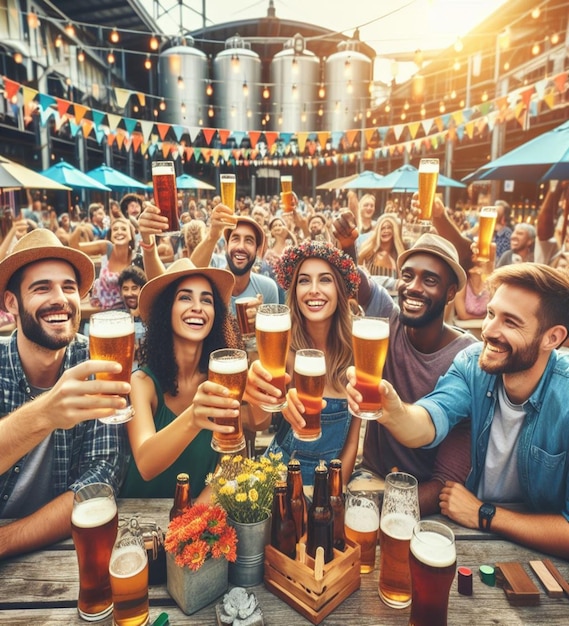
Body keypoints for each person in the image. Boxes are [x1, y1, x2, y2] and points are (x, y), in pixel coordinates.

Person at [347, 263, 569, 559]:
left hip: (535, 551)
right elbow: (429, 420)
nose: (489, 331)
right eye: (491, 314)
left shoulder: (564, 396)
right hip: (467, 538)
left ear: (552, 338)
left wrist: (486, 514)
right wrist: (394, 412)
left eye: (510, 322)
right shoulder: (473, 363)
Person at [0, 229, 129, 558]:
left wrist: (5, 541)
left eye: (68, 287)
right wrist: (45, 415)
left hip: (64, 554)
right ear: (11, 302)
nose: (60, 298)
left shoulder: (97, 362)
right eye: (42, 287)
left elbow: (101, 478)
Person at [119, 258, 246, 500]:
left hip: (193, 525)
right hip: (136, 522)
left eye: (206, 300)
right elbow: (146, 465)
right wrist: (194, 417)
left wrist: (191, 522)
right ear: (167, 311)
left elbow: (232, 466)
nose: (197, 307)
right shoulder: (142, 383)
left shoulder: (225, 380)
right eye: (185, 297)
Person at [246, 240, 363, 486]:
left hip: (330, 480)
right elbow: (259, 422)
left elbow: (352, 442)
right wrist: (262, 395)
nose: (313, 290)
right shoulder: (281, 348)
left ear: (340, 290)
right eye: (304, 280)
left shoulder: (358, 353)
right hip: (279, 478)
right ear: (294, 291)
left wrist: (334, 495)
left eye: (325, 280)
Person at [70, 216, 138, 311]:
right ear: (110, 235)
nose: (119, 232)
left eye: (123, 229)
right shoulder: (106, 248)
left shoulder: (137, 258)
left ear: (131, 235)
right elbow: (74, 248)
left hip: (129, 313)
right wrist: (79, 228)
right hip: (102, 310)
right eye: (115, 229)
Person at [357, 213, 405, 279]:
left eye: (389, 227)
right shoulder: (368, 253)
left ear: (394, 231)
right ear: (378, 232)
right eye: (382, 228)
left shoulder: (399, 256)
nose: (385, 231)